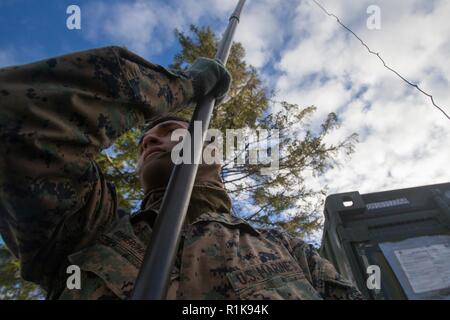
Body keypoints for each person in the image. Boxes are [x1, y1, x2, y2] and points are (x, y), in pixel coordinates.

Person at [0, 46, 362, 300]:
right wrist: (185, 86)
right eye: (144, 140)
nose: (149, 141)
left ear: (212, 151)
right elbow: (20, 116)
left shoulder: (285, 248)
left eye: (170, 131)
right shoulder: (89, 230)